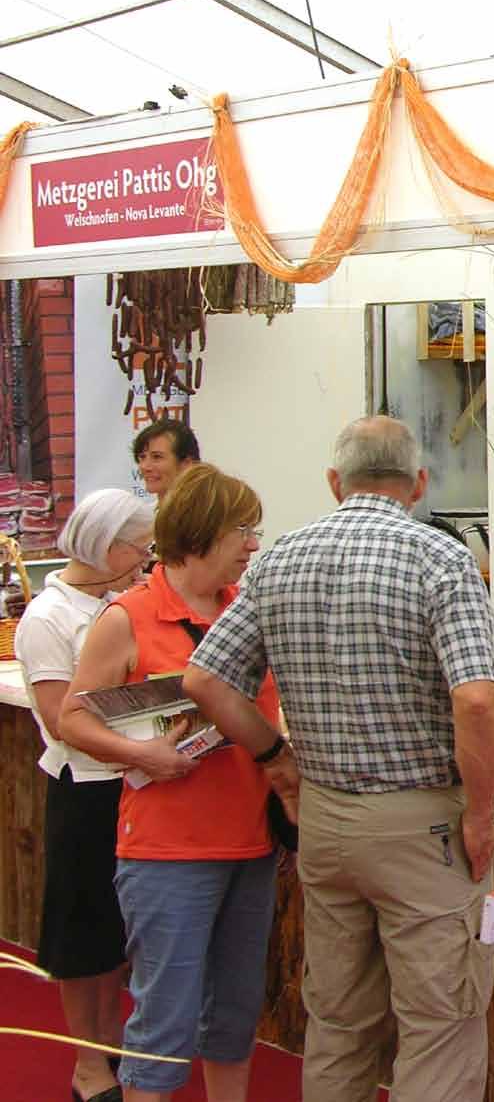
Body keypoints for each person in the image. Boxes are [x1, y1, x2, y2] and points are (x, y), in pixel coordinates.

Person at [183, 416, 494, 1102]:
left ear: (336, 482)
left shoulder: (279, 558)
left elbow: (205, 680)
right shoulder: (441, 559)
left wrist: (277, 757)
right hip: (423, 827)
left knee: (338, 1023)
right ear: (418, 483)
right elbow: (476, 700)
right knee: (440, 1024)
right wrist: (481, 814)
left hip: (325, 820)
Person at [57, 465, 276, 1102]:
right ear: (202, 532)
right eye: (243, 530)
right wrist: (143, 754)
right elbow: (72, 717)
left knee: (234, 1015)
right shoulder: (128, 616)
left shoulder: (245, 610)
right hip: (168, 852)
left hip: (251, 843)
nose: (252, 545)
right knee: (163, 1021)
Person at [14, 490, 155, 1102]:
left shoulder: (121, 603)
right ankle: (88, 1062)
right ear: (110, 545)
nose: (147, 557)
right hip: (85, 791)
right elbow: (60, 719)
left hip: (133, 785)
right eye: (141, 546)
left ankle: (112, 1037)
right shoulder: (48, 616)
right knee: (82, 932)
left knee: (121, 929)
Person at [131, 418, 201, 499]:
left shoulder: (208, 507)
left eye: (157, 457)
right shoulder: (144, 507)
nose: (145, 467)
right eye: (142, 457)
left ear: (187, 464)